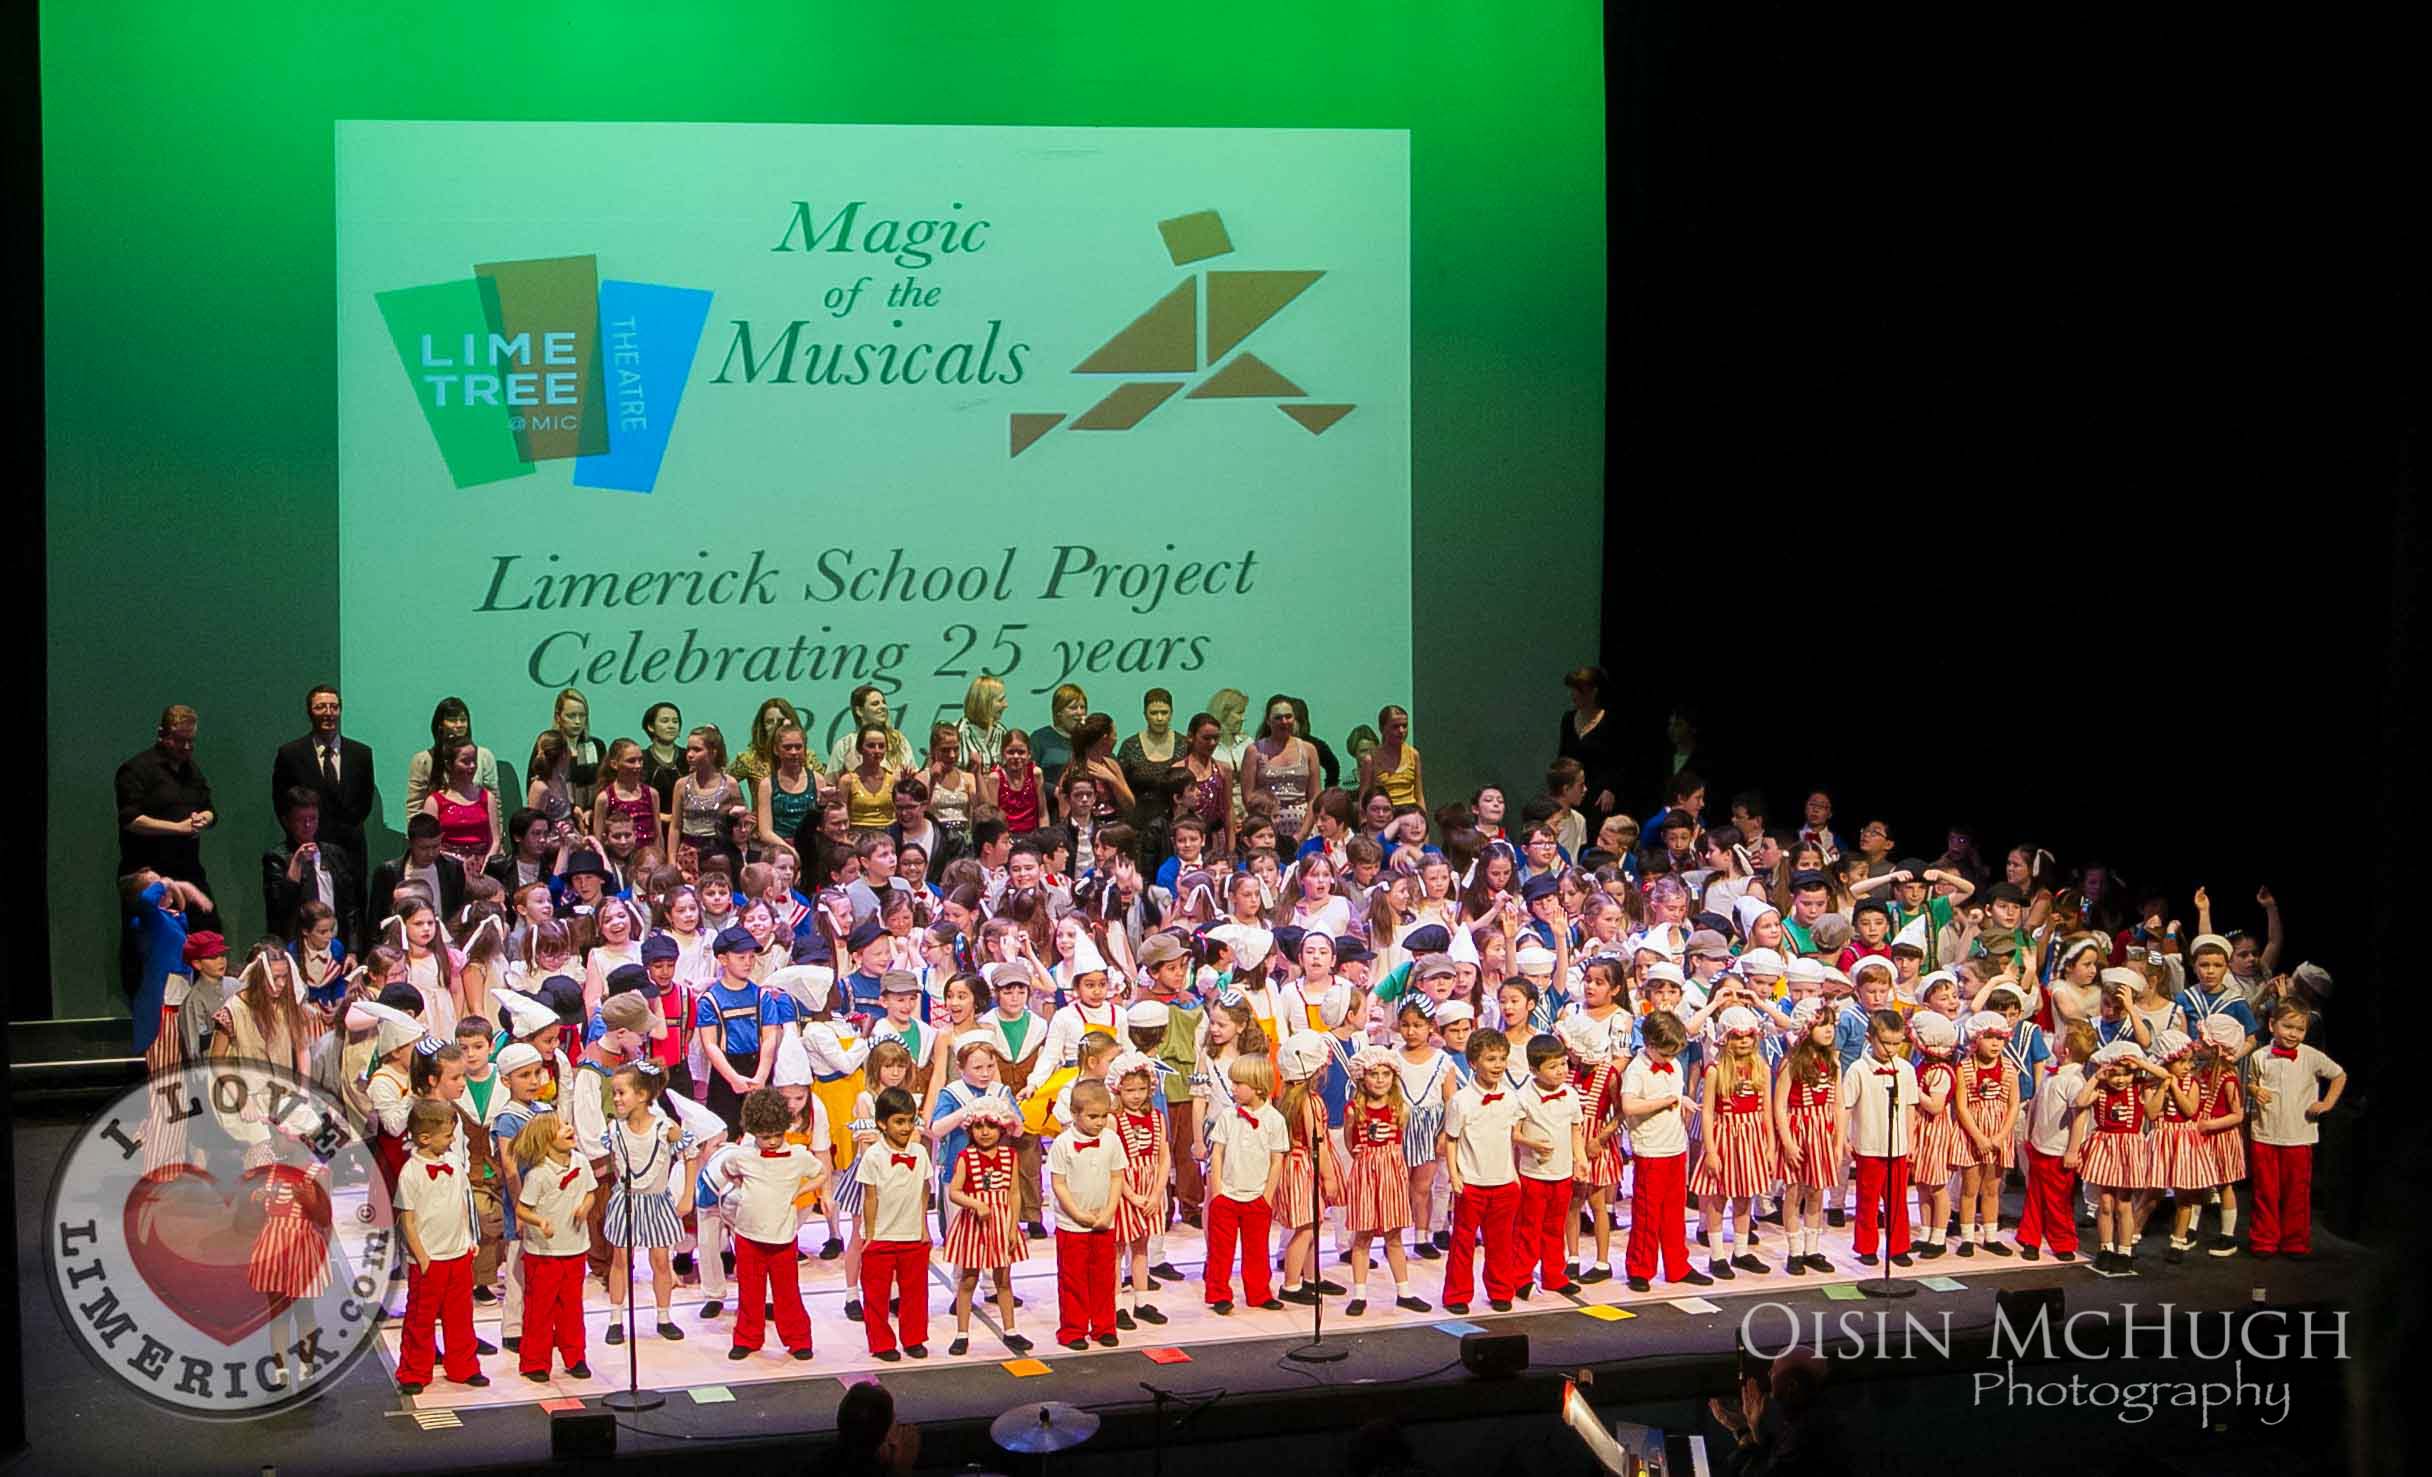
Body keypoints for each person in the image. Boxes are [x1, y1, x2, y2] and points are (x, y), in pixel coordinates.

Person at [116, 705, 220, 1000]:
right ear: (163, 735)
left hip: (187, 868)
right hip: (148, 874)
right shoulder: (136, 769)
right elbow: (131, 820)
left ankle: (202, 1007)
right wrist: (178, 827)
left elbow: (211, 808)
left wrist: (205, 819)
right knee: (148, 944)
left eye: (191, 741)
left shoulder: (191, 770)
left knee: (206, 931)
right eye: (180, 740)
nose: (186, 747)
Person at [720, 1086, 825, 1361]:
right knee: (750, 1293)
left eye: (777, 1135)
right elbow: (726, 1170)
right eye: (766, 1137)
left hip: (782, 1238)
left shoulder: (799, 1156)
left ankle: (798, 1339)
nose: (772, 1142)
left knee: (787, 1292)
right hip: (747, 1236)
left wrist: (801, 1192)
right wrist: (740, 1186)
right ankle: (747, 1338)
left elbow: (820, 1173)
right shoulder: (742, 1155)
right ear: (754, 1131)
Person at [394, 1097, 489, 1394]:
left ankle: (463, 1365)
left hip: (458, 1252)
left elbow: (463, 1203)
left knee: (460, 1316)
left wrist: (470, 1238)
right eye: (447, 1135)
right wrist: (420, 1256)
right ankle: (414, 1371)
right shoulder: (411, 1172)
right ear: (424, 1138)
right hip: (429, 1258)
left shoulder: (453, 1163)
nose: (451, 1141)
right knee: (420, 1319)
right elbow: (407, 1220)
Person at [270, 685, 375, 936]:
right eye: (321, 707)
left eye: (333, 707)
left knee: (353, 913)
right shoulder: (291, 754)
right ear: (310, 712)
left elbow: (364, 802)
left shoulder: (361, 753)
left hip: (350, 849)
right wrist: (307, 837)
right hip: (307, 848)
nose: (328, 713)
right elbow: (282, 803)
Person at [2245, 1005, 2344, 1260]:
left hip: (2299, 1135)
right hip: (2265, 1133)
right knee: (2265, 1190)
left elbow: (2339, 1075)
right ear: (2271, 1026)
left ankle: (2295, 1242)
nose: (2293, 1033)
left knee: (2296, 1192)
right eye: (2287, 1026)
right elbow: (2252, 1083)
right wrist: (2255, 1090)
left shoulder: (2311, 1056)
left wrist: (2327, 1103)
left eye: (2300, 1029)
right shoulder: (2260, 1056)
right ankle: (2264, 1240)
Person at [1441, 1027, 1525, 1312]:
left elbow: (1511, 1138)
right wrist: (1454, 1176)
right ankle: (1457, 1295)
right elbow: (1451, 1140)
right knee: (1463, 1242)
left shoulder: (1511, 1098)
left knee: (1501, 1242)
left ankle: (1501, 1291)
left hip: (1503, 1182)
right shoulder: (1461, 1101)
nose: (1498, 1065)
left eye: (1502, 1059)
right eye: (1491, 1059)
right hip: (1471, 1182)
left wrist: (1514, 1176)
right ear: (1474, 1063)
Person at [508, 1112, 595, 1382]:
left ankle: (576, 1356)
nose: (569, 1128)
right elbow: (522, 1209)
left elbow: (590, 1192)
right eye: (561, 1128)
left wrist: (584, 1208)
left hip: (575, 1248)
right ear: (546, 1141)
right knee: (540, 1310)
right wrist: (540, 1221)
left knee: (572, 1308)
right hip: (544, 1254)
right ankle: (535, 1361)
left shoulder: (580, 1162)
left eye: (568, 1124)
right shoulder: (538, 1175)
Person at [854, 1084, 935, 1359]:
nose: (905, 1127)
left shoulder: (920, 1153)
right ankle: (881, 1343)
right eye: (899, 1121)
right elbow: (870, 1198)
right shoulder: (874, 1156)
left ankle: (913, 1338)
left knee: (915, 1292)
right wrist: (871, 1234)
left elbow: (924, 1191)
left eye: (909, 1121)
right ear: (881, 1123)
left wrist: (923, 1227)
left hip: (912, 1235)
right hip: (881, 1237)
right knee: (876, 1296)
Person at [1203, 1052, 1287, 1314]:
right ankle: (1218, 1293)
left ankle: (1259, 1293)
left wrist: (1267, 1196)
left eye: (1238, 1084)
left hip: (1256, 1197)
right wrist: (1217, 1192)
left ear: (1259, 1087)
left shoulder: (1274, 1120)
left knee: (1257, 1250)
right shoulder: (1229, 1117)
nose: (1233, 1088)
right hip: (1227, 1195)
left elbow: (1277, 1160)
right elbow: (1216, 1153)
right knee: (1220, 1251)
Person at [1049, 1076, 1124, 1349]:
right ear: (1074, 1114)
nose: (1100, 1122)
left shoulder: (1112, 1141)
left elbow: (1117, 1177)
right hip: (1072, 1225)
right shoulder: (1063, 1144)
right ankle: (1073, 1329)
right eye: (1093, 1116)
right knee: (1073, 1280)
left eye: (1104, 1116)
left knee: (1105, 1278)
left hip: (1104, 1221)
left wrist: (1109, 1211)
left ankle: (1104, 1326)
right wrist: (1077, 1214)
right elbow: (1058, 1184)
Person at [1843, 1009, 1918, 1268]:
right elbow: (1846, 1106)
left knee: (1898, 1201)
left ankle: (1899, 1247)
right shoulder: (1858, 1069)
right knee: (1868, 1200)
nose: (1891, 1049)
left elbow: (1910, 1106)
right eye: (1885, 1043)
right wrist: (1843, 1138)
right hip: (1868, 1145)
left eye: (1897, 1043)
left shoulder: (1906, 1069)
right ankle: (1866, 1247)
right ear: (1869, 1038)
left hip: (1897, 1147)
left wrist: (1911, 1142)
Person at [1513, 1030, 1586, 1295]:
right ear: (1534, 1069)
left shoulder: (1570, 1095)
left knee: (1555, 1227)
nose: (1560, 1071)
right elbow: (1514, 1133)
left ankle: (1554, 1275)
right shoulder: (1524, 1096)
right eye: (1552, 1066)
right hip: (1534, 1174)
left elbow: (1575, 1129)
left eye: (1564, 1064)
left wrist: (1580, 1159)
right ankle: (1521, 1277)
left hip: (1562, 1173)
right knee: (1529, 1229)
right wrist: (1533, 1145)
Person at [263, 785, 357, 945]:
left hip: (335, 941)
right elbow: (280, 906)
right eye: (301, 820)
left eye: (313, 819)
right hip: (298, 944)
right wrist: (297, 863)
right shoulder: (276, 857)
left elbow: (350, 907)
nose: (308, 825)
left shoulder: (334, 853)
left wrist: (353, 949)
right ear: (287, 821)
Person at [1239, 694, 1320, 843]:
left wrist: (1302, 834)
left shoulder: (1309, 750)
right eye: (1278, 717)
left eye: (1288, 716)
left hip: (1304, 826)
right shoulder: (1254, 751)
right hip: (1266, 828)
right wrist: (1265, 828)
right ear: (1268, 721)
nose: (1284, 722)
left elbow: (1315, 796)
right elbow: (1248, 797)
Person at [404, 697, 502, 817]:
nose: (459, 725)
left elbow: (494, 800)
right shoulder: (423, 760)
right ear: (440, 724)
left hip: (477, 828)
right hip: (436, 832)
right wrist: (418, 834)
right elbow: (415, 806)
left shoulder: (484, 756)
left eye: (463, 720)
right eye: (452, 720)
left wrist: (497, 832)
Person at [1555, 666, 1626, 824]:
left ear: (1593, 692)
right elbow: (1563, 757)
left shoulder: (1611, 721)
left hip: (1599, 795)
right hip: (1572, 791)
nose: (1572, 695)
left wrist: (1611, 789)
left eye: (1577, 690)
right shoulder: (1568, 719)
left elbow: (1619, 760)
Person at [955, 673, 1013, 772]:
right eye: (1000, 700)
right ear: (984, 702)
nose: (1006, 705)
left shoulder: (1002, 733)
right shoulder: (956, 732)